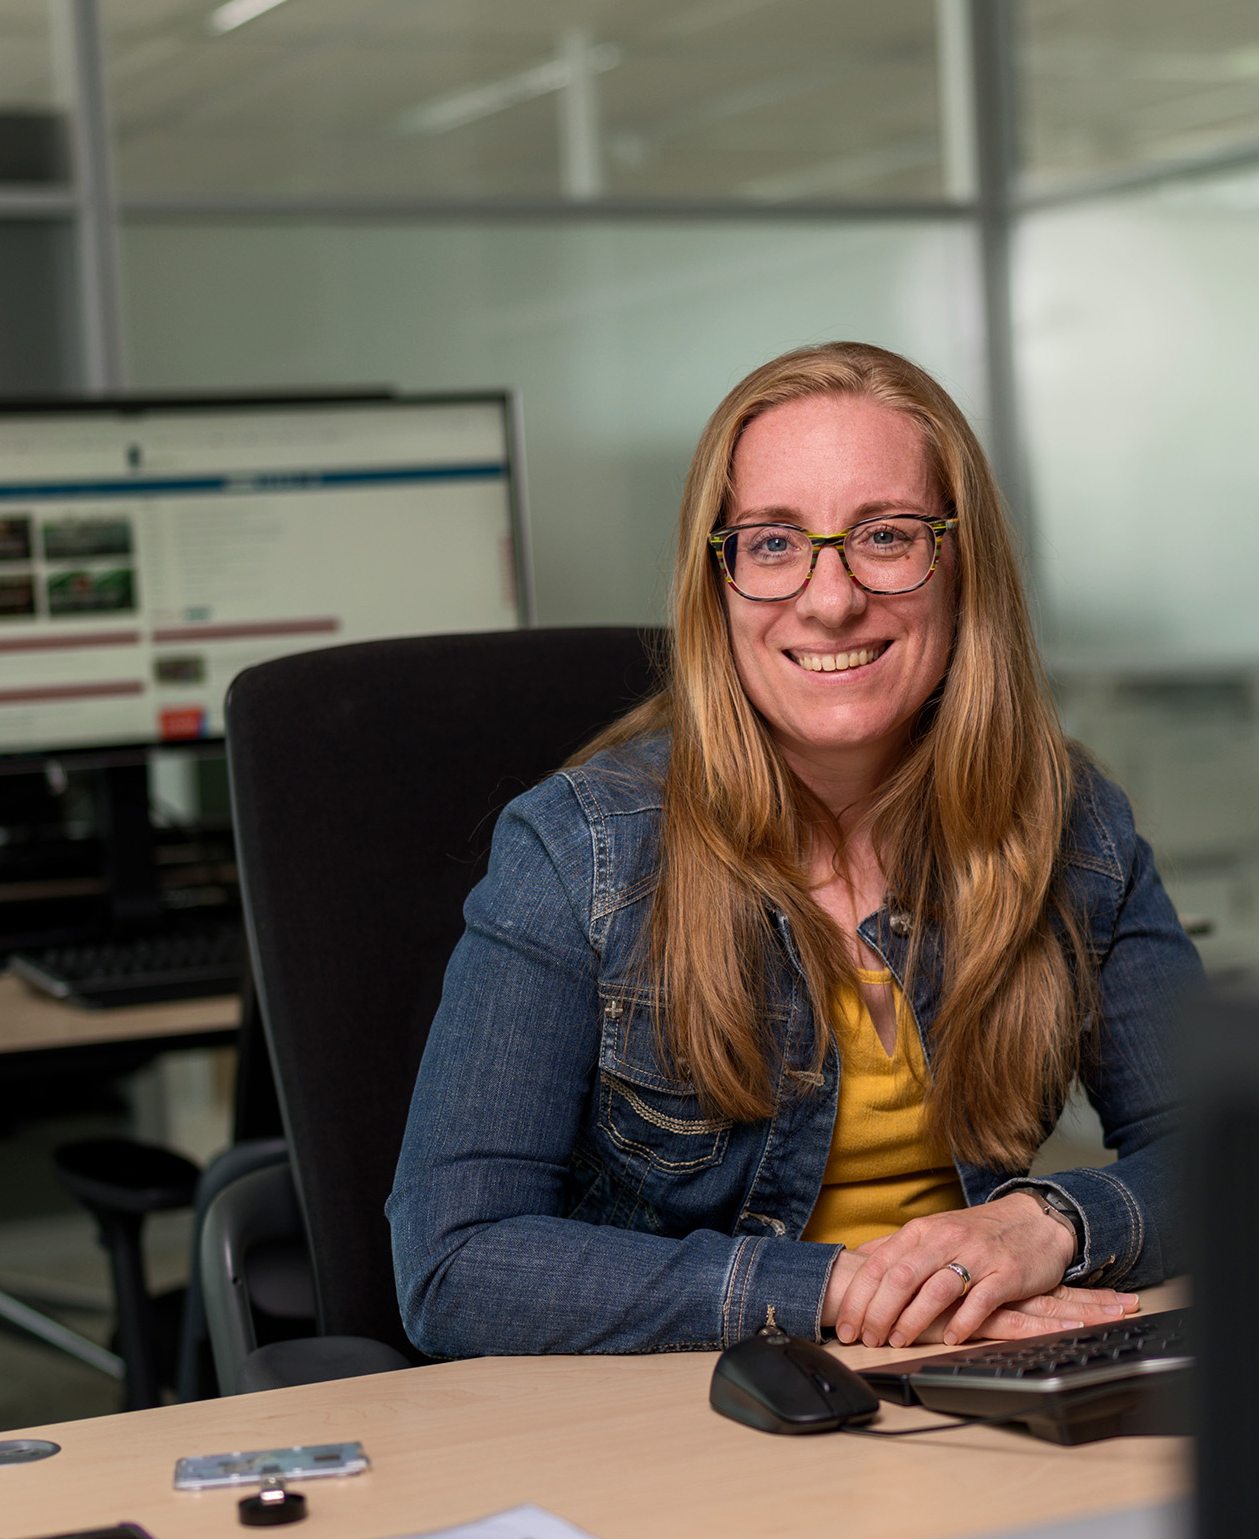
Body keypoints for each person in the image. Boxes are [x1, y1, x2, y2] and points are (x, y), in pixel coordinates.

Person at [387, 341, 1201, 1358]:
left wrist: (1040, 1225)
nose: (829, 599)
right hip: (690, 1420)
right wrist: (846, 1289)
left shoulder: (1068, 827)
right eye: (773, 544)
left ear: (961, 566)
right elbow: (454, 1264)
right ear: (716, 582)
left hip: (980, 1381)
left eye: (885, 535)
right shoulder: (578, 854)